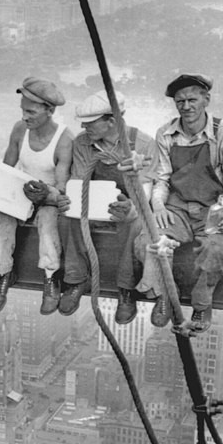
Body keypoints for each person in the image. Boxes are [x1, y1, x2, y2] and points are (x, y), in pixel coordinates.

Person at [135, 74, 223, 332]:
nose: (186, 107)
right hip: (178, 208)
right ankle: (165, 296)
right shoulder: (166, 133)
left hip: (215, 209)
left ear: (206, 99)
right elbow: (161, 178)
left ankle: (201, 304)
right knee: (148, 241)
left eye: (192, 99)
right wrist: (159, 206)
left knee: (215, 251)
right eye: (180, 101)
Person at [57, 90, 155, 322]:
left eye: (91, 123)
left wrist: (131, 207)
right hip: (93, 201)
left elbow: (146, 189)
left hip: (129, 204)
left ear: (112, 121)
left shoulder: (142, 144)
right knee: (67, 215)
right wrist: (69, 198)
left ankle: (126, 289)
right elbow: (79, 179)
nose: (84, 126)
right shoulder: (83, 142)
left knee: (134, 222)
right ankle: (76, 278)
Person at [0, 77, 73, 314]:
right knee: (1, 214)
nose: (25, 117)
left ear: (50, 111)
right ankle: (3, 272)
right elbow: (7, 167)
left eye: (31, 112)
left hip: (48, 196)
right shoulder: (19, 129)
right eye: (23, 110)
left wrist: (46, 194)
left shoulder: (64, 140)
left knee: (47, 222)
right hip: (22, 190)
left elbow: (62, 186)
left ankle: (50, 277)